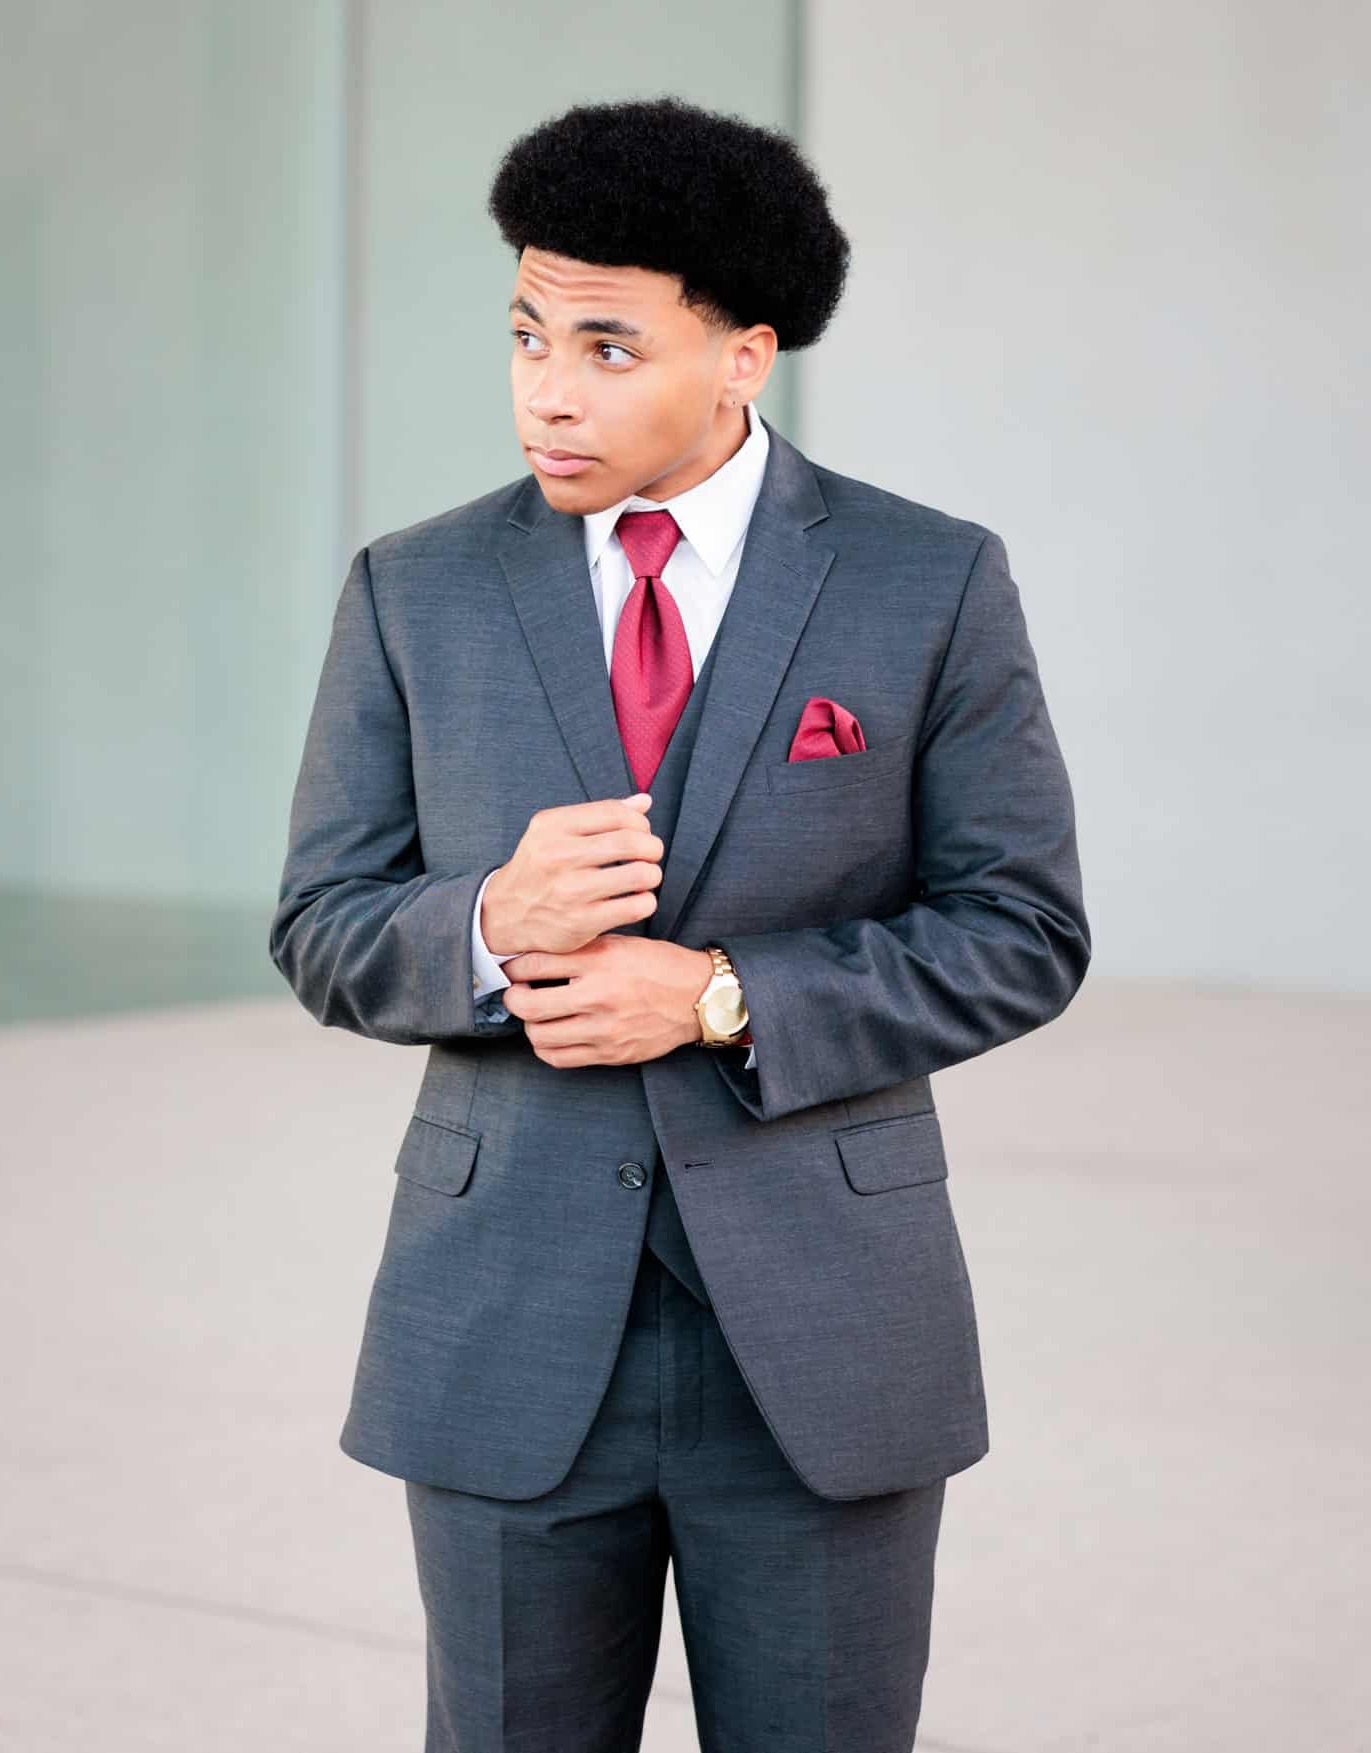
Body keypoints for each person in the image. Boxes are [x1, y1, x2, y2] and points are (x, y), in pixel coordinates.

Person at [267, 95, 1090, 1751]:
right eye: (523, 334)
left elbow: (1022, 925)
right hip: (504, 1319)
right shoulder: (412, 589)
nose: (546, 388)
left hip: (823, 1328)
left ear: (744, 355)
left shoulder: (922, 583)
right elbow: (324, 922)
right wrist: (489, 926)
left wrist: (720, 996)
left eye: (606, 344)